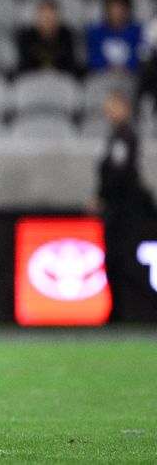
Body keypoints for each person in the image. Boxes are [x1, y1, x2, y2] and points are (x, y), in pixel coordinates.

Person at [89, 91, 154, 321]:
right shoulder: (117, 137)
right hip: (119, 210)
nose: (108, 109)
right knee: (116, 261)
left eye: (113, 105)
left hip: (125, 211)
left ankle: (130, 312)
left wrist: (103, 197)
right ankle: (118, 312)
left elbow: (120, 174)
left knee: (124, 261)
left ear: (124, 107)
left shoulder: (125, 137)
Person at [17, 0, 78, 76]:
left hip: (61, 79)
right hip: (33, 79)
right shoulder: (26, 37)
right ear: (38, 17)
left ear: (57, 17)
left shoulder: (67, 35)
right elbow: (25, 65)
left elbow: (69, 64)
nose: (48, 20)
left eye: (51, 16)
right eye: (45, 16)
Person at [86, 0, 143, 74]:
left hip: (131, 76)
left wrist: (125, 67)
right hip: (102, 75)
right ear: (106, 10)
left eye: (120, 9)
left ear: (127, 10)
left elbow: (139, 57)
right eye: (112, 9)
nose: (116, 14)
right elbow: (94, 59)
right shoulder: (95, 32)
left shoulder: (137, 31)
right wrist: (107, 67)